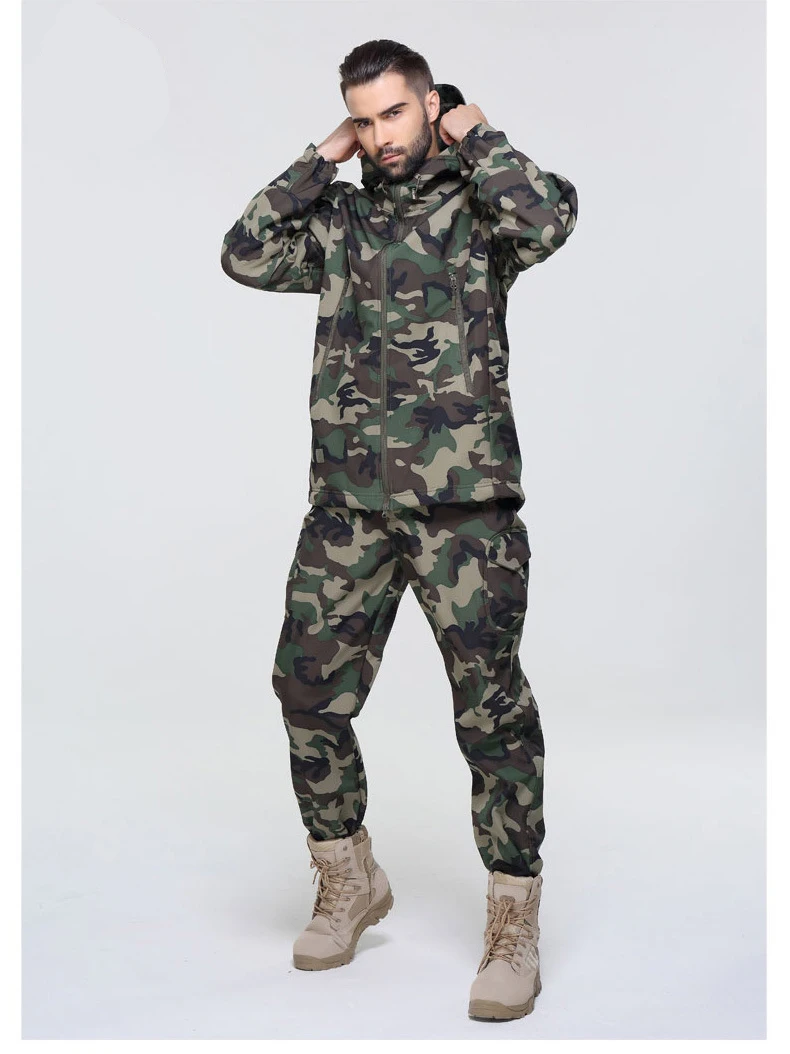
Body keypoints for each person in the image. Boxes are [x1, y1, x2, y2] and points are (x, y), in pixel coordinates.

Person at [220, 38, 578, 1022]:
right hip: (350, 508)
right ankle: (349, 879)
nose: (380, 134)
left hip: (466, 513)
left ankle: (513, 920)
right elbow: (243, 253)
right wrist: (317, 159)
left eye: (394, 113)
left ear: (429, 104)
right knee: (306, 692)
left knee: (491, 714)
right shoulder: (339, 220)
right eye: (364, 118)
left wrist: (480, 134)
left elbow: (548, 219)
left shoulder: (484, 209)